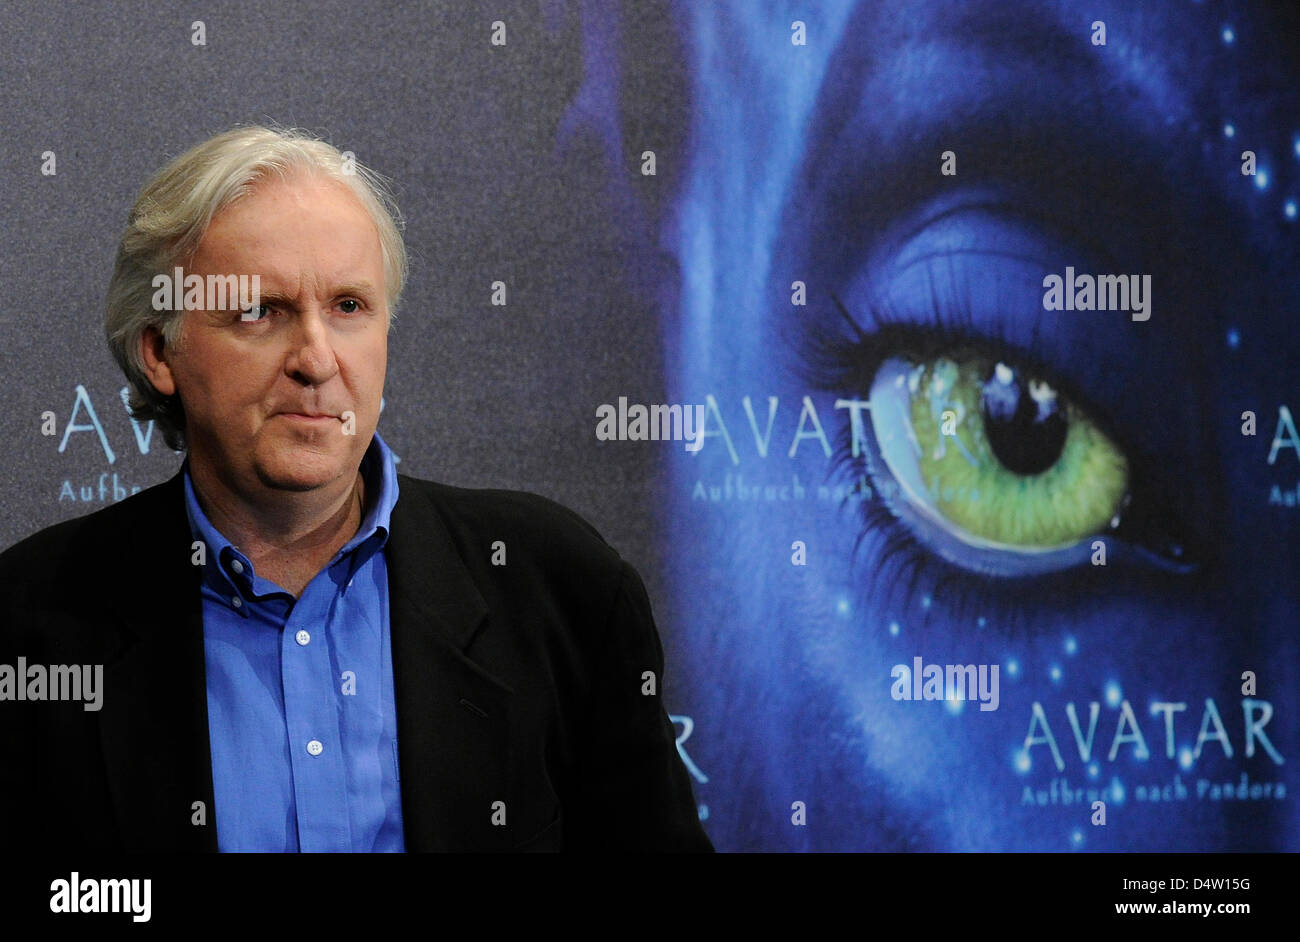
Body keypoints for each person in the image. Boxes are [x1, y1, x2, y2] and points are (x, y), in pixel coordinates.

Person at [0, 125, 712, 853]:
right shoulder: (31, 624)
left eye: (348, 307)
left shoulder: (558, 589)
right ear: (160, 351)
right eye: (259, 312)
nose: (316, 359)